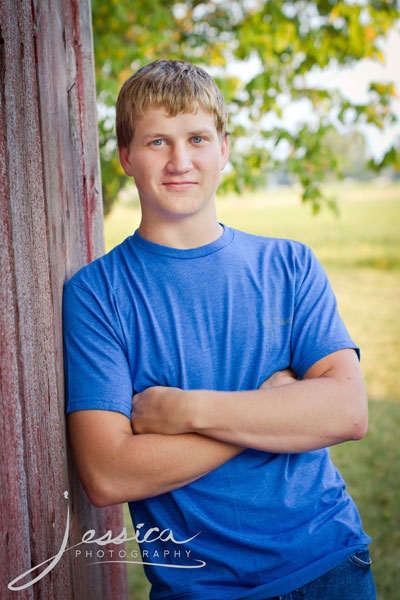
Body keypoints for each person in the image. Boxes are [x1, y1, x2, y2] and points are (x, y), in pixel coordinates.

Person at [63, 59, 376, 599]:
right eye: (157, 141)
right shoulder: (97, 293)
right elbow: (109, 473)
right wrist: (272, 405)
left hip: (330, 565)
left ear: (224, 149)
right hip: (202, 590)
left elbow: (347, 412)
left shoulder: (289, 265)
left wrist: (187, 411)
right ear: (125, 158)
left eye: (198, 138)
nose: (180, 160)